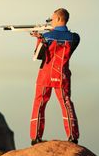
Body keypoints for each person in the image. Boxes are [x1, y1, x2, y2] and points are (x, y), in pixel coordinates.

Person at [29, 8, 80, 145]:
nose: (50, 21)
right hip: (62, 75)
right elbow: (68, 42)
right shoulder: (74, 38)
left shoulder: (46, 37)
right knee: (66, 103)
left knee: (39, 103)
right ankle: (73, 136)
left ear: (58, 19)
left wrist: (39, 39)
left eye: (52, 19)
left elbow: (37, 55)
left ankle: (36, 137)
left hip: (45, 74)